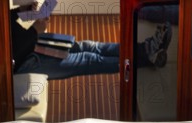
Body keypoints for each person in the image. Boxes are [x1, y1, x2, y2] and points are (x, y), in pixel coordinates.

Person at [11, 9, 173, 80]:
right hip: (25, 61)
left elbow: (8, 22)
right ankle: (146, 59)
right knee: (89, 59)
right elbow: (11, 53)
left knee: (88, 46)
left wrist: (23, 10)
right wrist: (34, 31)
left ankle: (145, 49)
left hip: (28, 42)